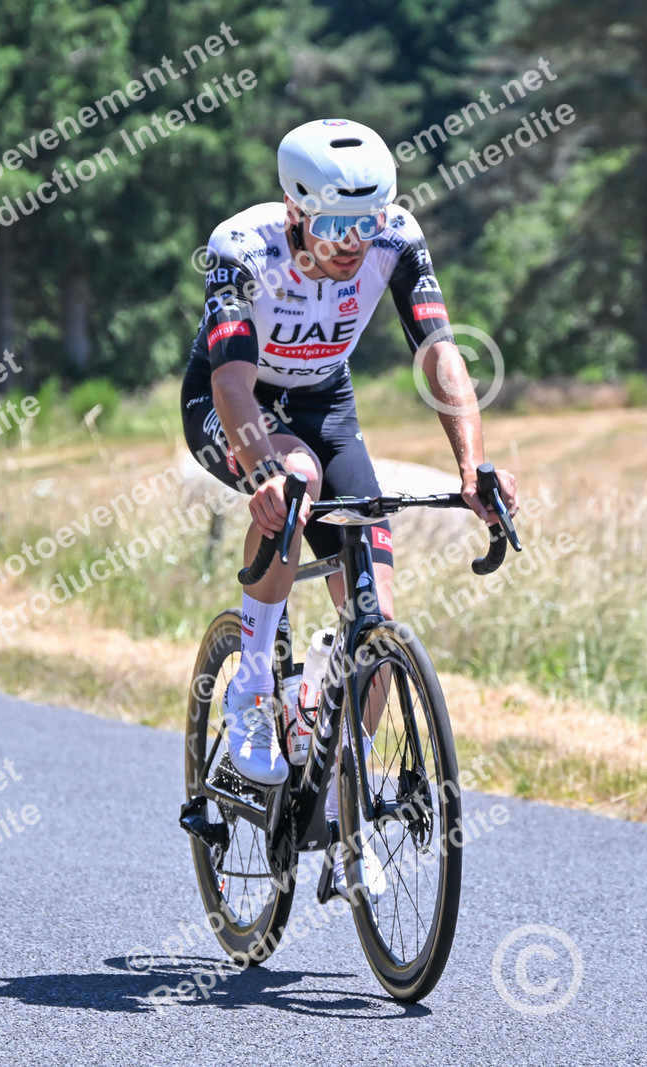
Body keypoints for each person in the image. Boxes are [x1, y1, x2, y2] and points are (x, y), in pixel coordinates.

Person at [180, 117, 518, 894]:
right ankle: (252, 688)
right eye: (335, 225)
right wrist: (262, 469)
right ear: (294, 211)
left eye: (367, 222)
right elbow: (231, 380)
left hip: (325, 401)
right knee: (296, 478)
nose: (352, 243)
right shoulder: (243, 247)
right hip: (233, 400)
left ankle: (341, 798)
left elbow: (438, 351)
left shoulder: (397, 238)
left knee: (376, 608)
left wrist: (472, 466)